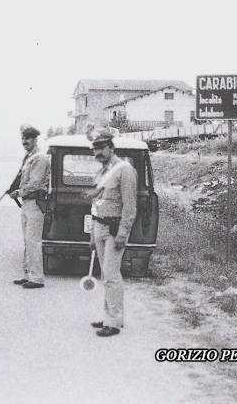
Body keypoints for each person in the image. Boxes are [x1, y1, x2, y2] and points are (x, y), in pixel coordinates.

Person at [88, 127, 137, 336]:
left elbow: (130, 206)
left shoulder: (125, 170)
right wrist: (92, 233)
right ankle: (111, 316)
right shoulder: (101, 172)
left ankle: (114, 322)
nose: (98, 153)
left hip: (114, 229)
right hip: (99, 226)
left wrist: (123, 234)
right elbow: (95, 204)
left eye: (102, 148)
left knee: (111, 275)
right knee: (106, 274)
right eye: (95, 149)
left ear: (111, 148)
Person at [10, 124, 50, 289]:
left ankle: (37, 278)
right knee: (28, 240)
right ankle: (28, 274)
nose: (24, 141)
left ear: (34, 139)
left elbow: (35, 183)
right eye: (22, 138)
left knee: (33, 240)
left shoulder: (40, 158)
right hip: (28, 203)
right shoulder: (29, 158)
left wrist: (18, 193)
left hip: (35, 202)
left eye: (27, 138)